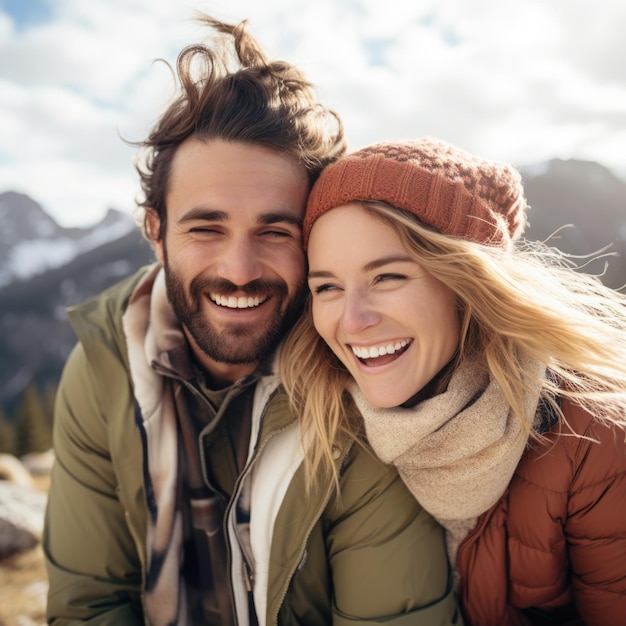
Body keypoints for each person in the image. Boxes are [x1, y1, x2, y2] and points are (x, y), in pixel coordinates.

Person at [43, 16, 462, 626]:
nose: (239, 270)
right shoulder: (107, 361)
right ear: (155, 231)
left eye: (275, 230)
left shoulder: (365, 384)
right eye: (205, 228)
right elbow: (90, 604)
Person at [281, 137, 626, 626]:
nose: (352, 321)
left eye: (388, 278)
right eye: (327, 288)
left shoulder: (593, 437)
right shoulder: (325, 422)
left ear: (466, 284)